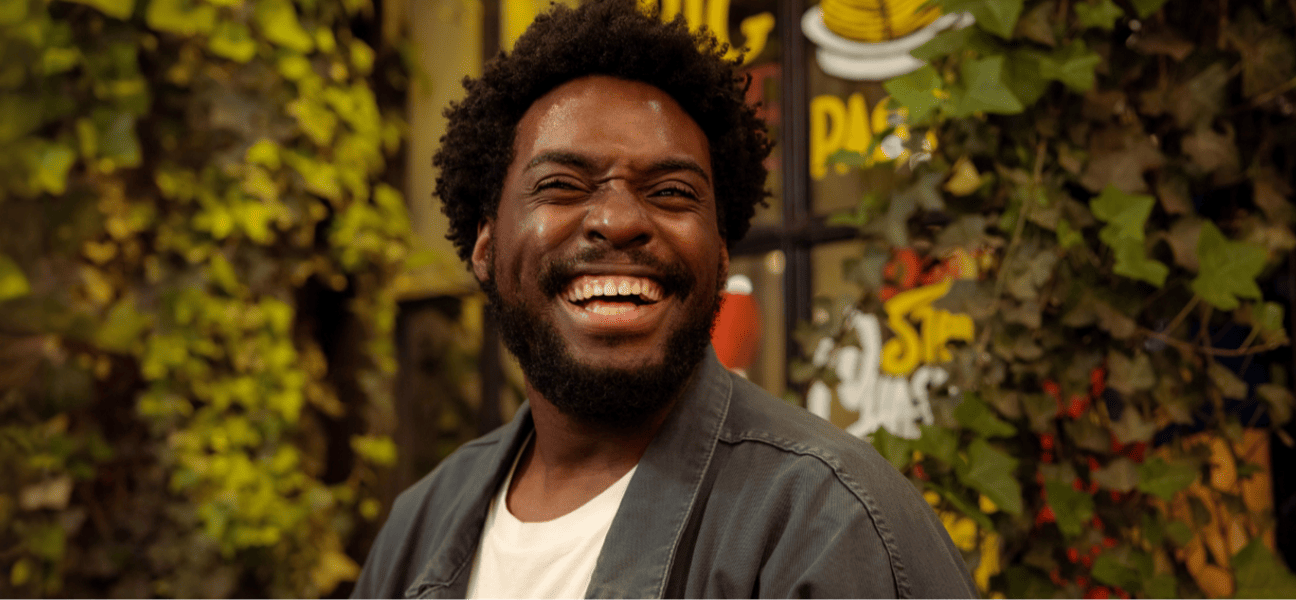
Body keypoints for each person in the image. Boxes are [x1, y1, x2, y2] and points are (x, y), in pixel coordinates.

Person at [351, 0, 980, 598]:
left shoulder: (828, 522)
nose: (620, 219)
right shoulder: (418, 530)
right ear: (485, 246)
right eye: (563, 185)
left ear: (721, 253)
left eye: (673, 192)